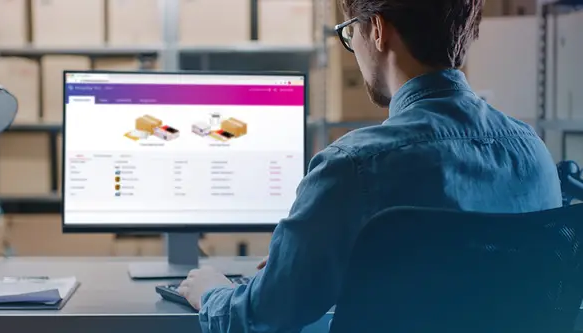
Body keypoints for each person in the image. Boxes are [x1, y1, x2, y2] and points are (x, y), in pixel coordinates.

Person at [178, 0, 563, 331]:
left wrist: (212, 290)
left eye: (349, 34)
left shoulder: (354, 167)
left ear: (377, 30)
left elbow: (258, 320)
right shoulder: (533, 152)